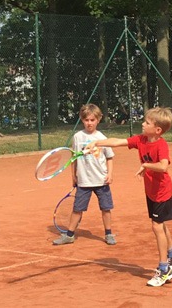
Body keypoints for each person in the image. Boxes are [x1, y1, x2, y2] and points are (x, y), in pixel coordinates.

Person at [85, 107, 172, 287]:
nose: (143, 124)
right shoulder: (141, 139)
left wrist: (146, 165)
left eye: (147, 123)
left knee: (157, 226)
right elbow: (117, 142)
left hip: (162, 191)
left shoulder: (161, 145)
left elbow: (163, 167)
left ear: (157, 130)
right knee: (160, 224)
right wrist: (97, 143)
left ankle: (164, 269)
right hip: (151, 191)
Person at [53, 103, 117, 246]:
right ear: (82, 120)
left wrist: (110, 174)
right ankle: (69, 235)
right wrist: (73, 176)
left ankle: (109, 234)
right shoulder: (77, 137)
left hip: (101, 180)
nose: (89, 123)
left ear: (98, 120)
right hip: (83, 181)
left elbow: (109, 157)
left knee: (106, 208)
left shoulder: (102, 138)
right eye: (86, 120)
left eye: (92, 120)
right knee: (77, 209)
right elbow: (73, 157)